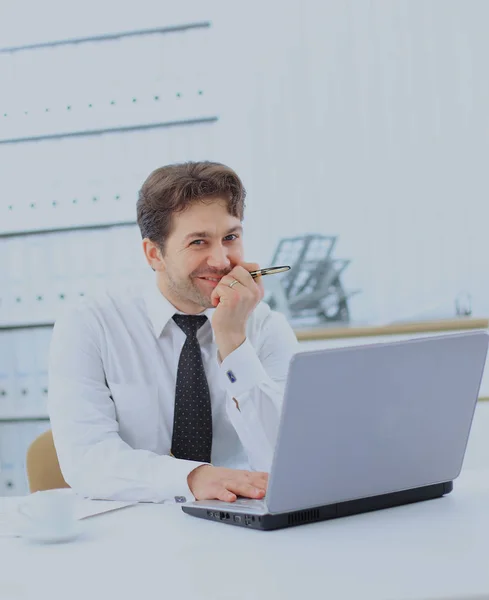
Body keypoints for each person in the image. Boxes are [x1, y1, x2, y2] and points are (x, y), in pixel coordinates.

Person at [48, 161, 299, 503]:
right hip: (134, 525)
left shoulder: (267, 327)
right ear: (155, 254)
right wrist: (192, 478)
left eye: (230, 237)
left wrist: (233, 343)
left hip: (244, 520)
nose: (221, 260)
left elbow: (286, 460)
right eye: (199, 242)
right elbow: (87, 460)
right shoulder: (89, 325)